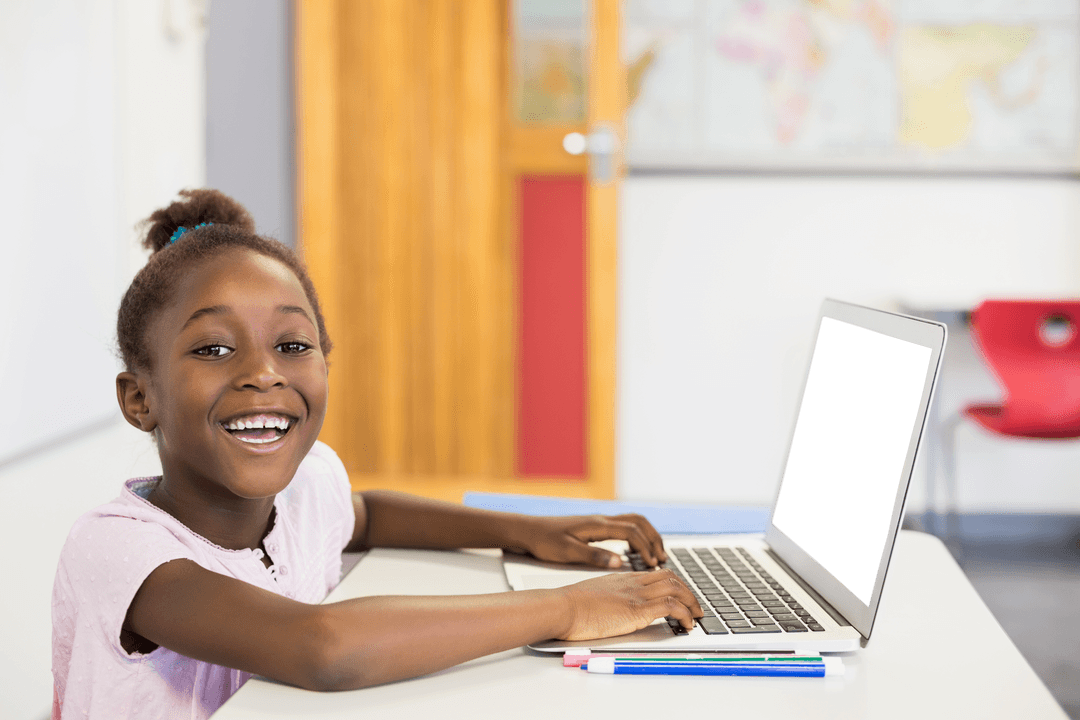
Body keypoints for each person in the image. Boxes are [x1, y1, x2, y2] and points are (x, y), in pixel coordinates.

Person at [51, 189, 702, 720]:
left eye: (293, 346)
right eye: (214, 349)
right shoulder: (118, 550)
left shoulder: (308, 484)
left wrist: (530, 530)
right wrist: (567, 607)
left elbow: (368, 514)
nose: (264, 374)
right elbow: (322, 648)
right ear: (140, 399)